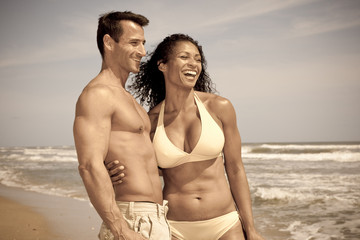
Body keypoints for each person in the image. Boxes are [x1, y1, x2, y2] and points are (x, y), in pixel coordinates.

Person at [107, 34, 265, 240]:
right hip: (174, 227)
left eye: (198, 59)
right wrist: (112, 175)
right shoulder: (151, 121)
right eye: (184, 57)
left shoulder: (220, 108)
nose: (194, 64)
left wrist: (250, 228)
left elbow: (235, 169)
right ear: (163, 65)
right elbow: (146, 171)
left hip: (225, 223)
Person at [73, 11, 171, 240]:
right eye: (134, 43)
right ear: (109, 42)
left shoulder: (127, 98)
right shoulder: (98, 94)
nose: (143, 52)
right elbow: (88, 165)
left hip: (155, 217)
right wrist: (120, 229)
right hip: (132, 220)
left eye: (143, 43)